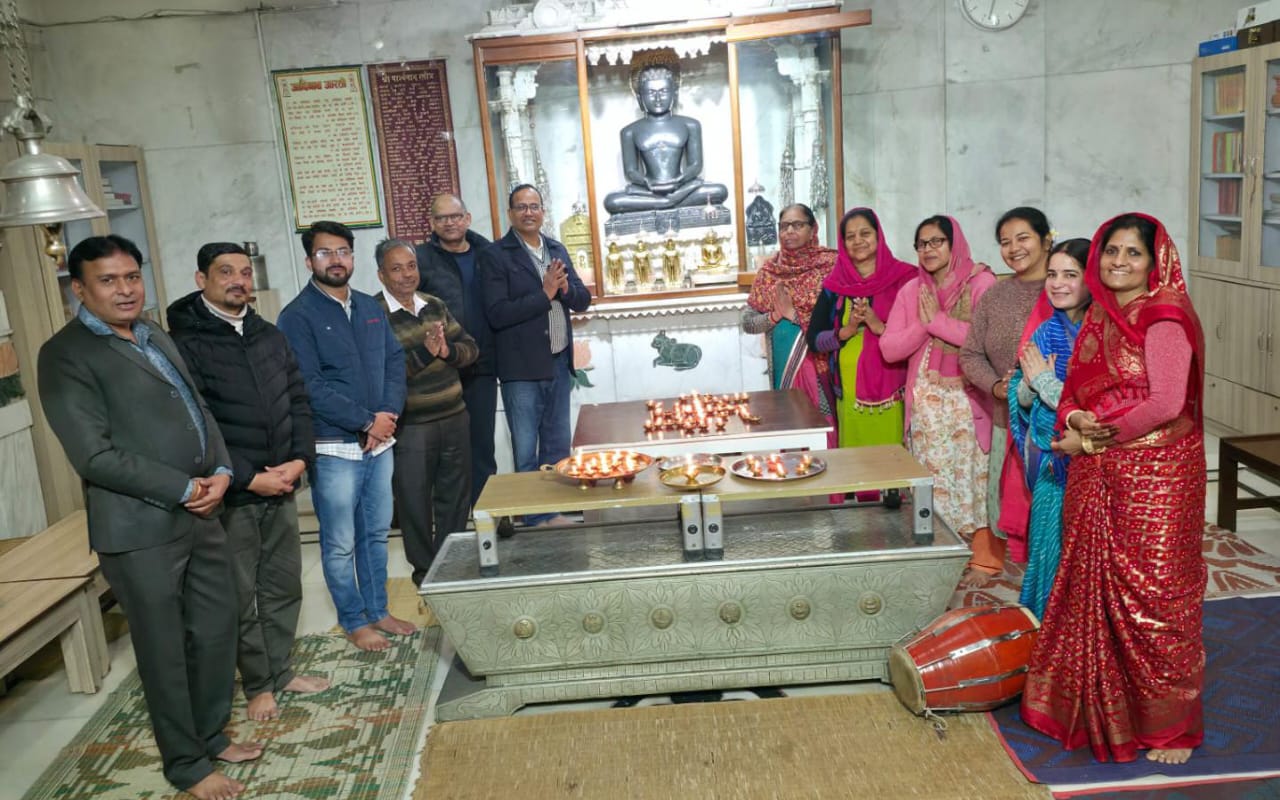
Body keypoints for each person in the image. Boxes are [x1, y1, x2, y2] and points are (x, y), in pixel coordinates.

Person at [39, 235, 260, 800]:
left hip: (202, 509)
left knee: (216, 629)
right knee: (165, 649)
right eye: (108, 280)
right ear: (80, 289)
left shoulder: (153, 332)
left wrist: (221, 471)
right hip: (139, 529)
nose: (125, 290)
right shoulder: (66, 355)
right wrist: (184, 488)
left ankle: (210, 734)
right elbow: (94, 455)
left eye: (132, 277)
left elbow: (197, 408)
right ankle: (186, 765)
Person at [1021, 213, 1206, 766]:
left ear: (1154, 262)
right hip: (1097, 471)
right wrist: (1073, 417)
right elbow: (1075, 388)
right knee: (1091, 589)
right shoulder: (1100, 314)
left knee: (1155, 596)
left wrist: (1091, 438)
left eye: (1133, 253)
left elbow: (1166, 404)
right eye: (1111, 251)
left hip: (1158, 475)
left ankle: (1170, 729)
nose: (1118, 262)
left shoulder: (1163, 316)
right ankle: (1100, 705)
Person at [166, 242, 331, 722]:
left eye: (244, 272)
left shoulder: (267, 334)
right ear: (202, 280)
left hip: (282, 482)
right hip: (233, 493)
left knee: (283, 586)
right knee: (240, 596)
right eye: (225, 272)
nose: (238, 281)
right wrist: (249, 477)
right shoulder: (185, 342)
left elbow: (298, 400)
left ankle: (280, 671)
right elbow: (199, 423)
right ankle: (258, 683)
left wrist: (299, 460)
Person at [277, 220, 415, 652]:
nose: (335, 260)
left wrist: (387, 415)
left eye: (343, 251)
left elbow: (394, 362)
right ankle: (354, 621)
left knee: (375, 534)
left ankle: (378, 610)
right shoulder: (297, 316)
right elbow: (308, 385)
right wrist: (366, 421)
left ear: (353, 258)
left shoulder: (369, 306)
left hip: (380, 444)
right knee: (339, 543)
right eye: (325, 253)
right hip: (334, 446)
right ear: (309, 261)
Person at [480, 184, 592, 528]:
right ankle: (533, 516)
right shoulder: (496, 255)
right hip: (522, 369)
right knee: (526, 449)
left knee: (557, 445)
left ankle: (555, 510)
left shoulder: (556, 248)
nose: (528, 212)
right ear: (510, 213)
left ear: (543, 211)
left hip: (557, 362)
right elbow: (497, 313)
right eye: (521, 207)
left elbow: (582, 300)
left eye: (534, 206)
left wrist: (565, 290)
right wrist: (545, 294)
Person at [880, 215, 996, 541]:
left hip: (969, 402)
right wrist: (924, 324)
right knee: (932, 483)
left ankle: (976, 556)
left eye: (937, 241)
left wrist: (939, 322)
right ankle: (938, 551)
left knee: (970, 483)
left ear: (954, 243)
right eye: (921, 244)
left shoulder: (982, 284)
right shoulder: (912, 290)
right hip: (927, 408)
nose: (928, 249)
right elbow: (889, 349)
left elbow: (986, 341)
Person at [959, 206, 1052, 585]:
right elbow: (970, 354)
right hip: (1007, 419)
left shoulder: (1067, 290)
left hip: (1055, 423)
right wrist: (998, 387)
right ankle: (1009, 569)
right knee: (1008, 499)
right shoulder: (995, 296)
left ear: (1047, 239)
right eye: (1005, 242)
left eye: (1023, 238)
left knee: (1052, 506)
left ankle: (1054, 579)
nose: (1014, 248)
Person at [376, 238, 478, 585]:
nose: (406, 275)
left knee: (456, 495)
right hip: (412, 426)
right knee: (413, 500)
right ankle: (424, 570)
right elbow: (380, 373)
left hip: (454, 415)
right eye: (396, 268)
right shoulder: (373, 314)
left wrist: (447, 352)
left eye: (411, 266)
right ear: (381, 275)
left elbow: (470, 348)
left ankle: (451, 561)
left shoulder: (434, 305)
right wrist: (425, 353)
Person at [1005, 237, 1091, 618]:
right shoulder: (1044, 331)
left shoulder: (1100, 336)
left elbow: (1091, 410)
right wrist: (1030, 384)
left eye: (1070, 275)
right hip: (1049, 463)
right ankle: (1047, 625)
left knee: (1079, 557)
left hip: (1087, 463)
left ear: (1092, 280)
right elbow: (1022, 398)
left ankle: (1075, 630)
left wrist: (1043, 381)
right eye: (1052, 274)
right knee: (1046, 550)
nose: (1057, 284)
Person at [806, 207, 914, 456]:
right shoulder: (835, 286)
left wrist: (879, 326)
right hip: (848, 392)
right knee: (856, 461)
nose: (858, 241)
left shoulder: (905, 279)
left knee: (892, 459)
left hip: (893, 389)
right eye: (850, 236)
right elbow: (813, 339)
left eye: (865, 233)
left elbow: (916, 333)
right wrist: (846, 331)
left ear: (878, 236)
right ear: (843, 244)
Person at [415, 194, 496, 508]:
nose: (449, 223)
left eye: (455, 216)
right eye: (441, 218)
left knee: (482, 446)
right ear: (432, 223)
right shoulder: (421, 259)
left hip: (482, 365)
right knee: (447, 449)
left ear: (467, 218)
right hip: (440, 369)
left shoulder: (487, 253)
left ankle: (486, 512)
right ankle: (453, 517)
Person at [741, 204, 838, 426]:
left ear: (813, 229)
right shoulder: (769, 272)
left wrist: (793, 315)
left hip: (820, 362)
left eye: (797, 225)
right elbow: (748, 323)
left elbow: (838, 319)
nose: (789, 231)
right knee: (789, 423)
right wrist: (774, 316)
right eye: (784, 226)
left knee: (821, 423)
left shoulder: (831, 266)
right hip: (783, 364)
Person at [603, 62, 729, 213]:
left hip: (682, 187)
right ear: (639, 98)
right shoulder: (629, 131)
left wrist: (680, 180)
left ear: (674, 94)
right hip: (649, 190)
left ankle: (664, 202)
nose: (657, 98)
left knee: (719, 190)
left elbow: (695, 165)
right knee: (612, 201)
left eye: (663, 91)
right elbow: (630, 172)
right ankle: (668, 202)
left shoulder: (690, 125)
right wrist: (646, 182)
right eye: (651, 93)